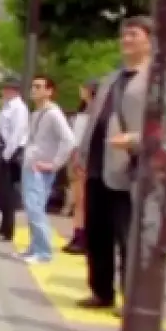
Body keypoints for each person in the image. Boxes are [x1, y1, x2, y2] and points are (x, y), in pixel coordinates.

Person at [74, 16, 153, 310]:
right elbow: (95, 119)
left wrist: (135, 140)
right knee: (97, 234)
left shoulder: (155, 80)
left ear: (150, 41)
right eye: (124, 35)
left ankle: (131, 298)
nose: (126, 40)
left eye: (134, 35)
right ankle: (101, 290)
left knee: (127, 237)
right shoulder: (111, 78)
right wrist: (83, 154)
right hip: (98, 166)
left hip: (129, 169)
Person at [19, 75, 76, 263]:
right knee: (32, 208)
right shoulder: (37, 113)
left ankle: (43, 252)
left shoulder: (53, 113)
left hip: (40, 169)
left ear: (49, 91)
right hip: (31, 166)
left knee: (35, 208)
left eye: (39, 87)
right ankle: (34, 248)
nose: (34, 90)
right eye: (33, 86)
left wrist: (54, 164)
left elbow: (69, 140)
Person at [0, 77, 29, 242]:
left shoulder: (19, 108)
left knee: (7, 192)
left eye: (6, 89)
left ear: (14, 90)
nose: (3, 92)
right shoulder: (6, 107)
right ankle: (2, 228)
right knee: (0, 192)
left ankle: (8, 230)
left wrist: (5, 155)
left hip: (6, 153)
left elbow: (17, 134)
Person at [63, 79, 99, 255]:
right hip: (75, 156)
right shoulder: (83, 111)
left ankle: (82, 237)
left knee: (82, 201)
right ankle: (77, 234)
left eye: (84, 88)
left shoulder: (94, 112)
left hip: (83, 158)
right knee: (77, 201)